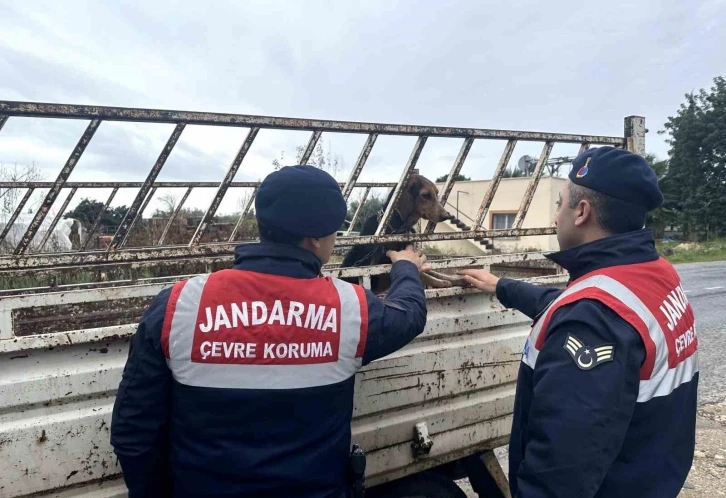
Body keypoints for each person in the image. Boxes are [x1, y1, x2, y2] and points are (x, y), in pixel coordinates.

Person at [111, 165, 431, 498]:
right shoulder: (349, 309)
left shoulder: (179, 305)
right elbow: (408, 316)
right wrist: (406, 267)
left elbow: (133, 430)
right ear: (317, 237)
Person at [459, 147, 698, 498]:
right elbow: (581, 303)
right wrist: (501, 286)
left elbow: (559, 474)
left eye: (560, 204)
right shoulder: (654, 274)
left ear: (582, 212)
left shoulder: (591, 323)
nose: (556, 215)